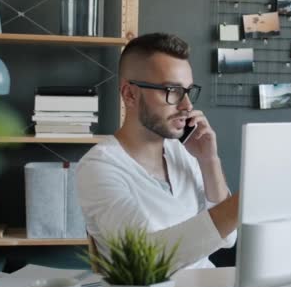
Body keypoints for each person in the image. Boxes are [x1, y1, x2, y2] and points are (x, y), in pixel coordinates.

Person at [76, 33, 238, 270]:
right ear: (130, 95)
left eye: (187, 91)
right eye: (172, 90)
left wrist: (209, 160)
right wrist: (244, 201)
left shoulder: (183, 153)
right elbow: (147, 258)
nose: (187, 106)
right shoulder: (98, 168)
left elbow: (228, 238)